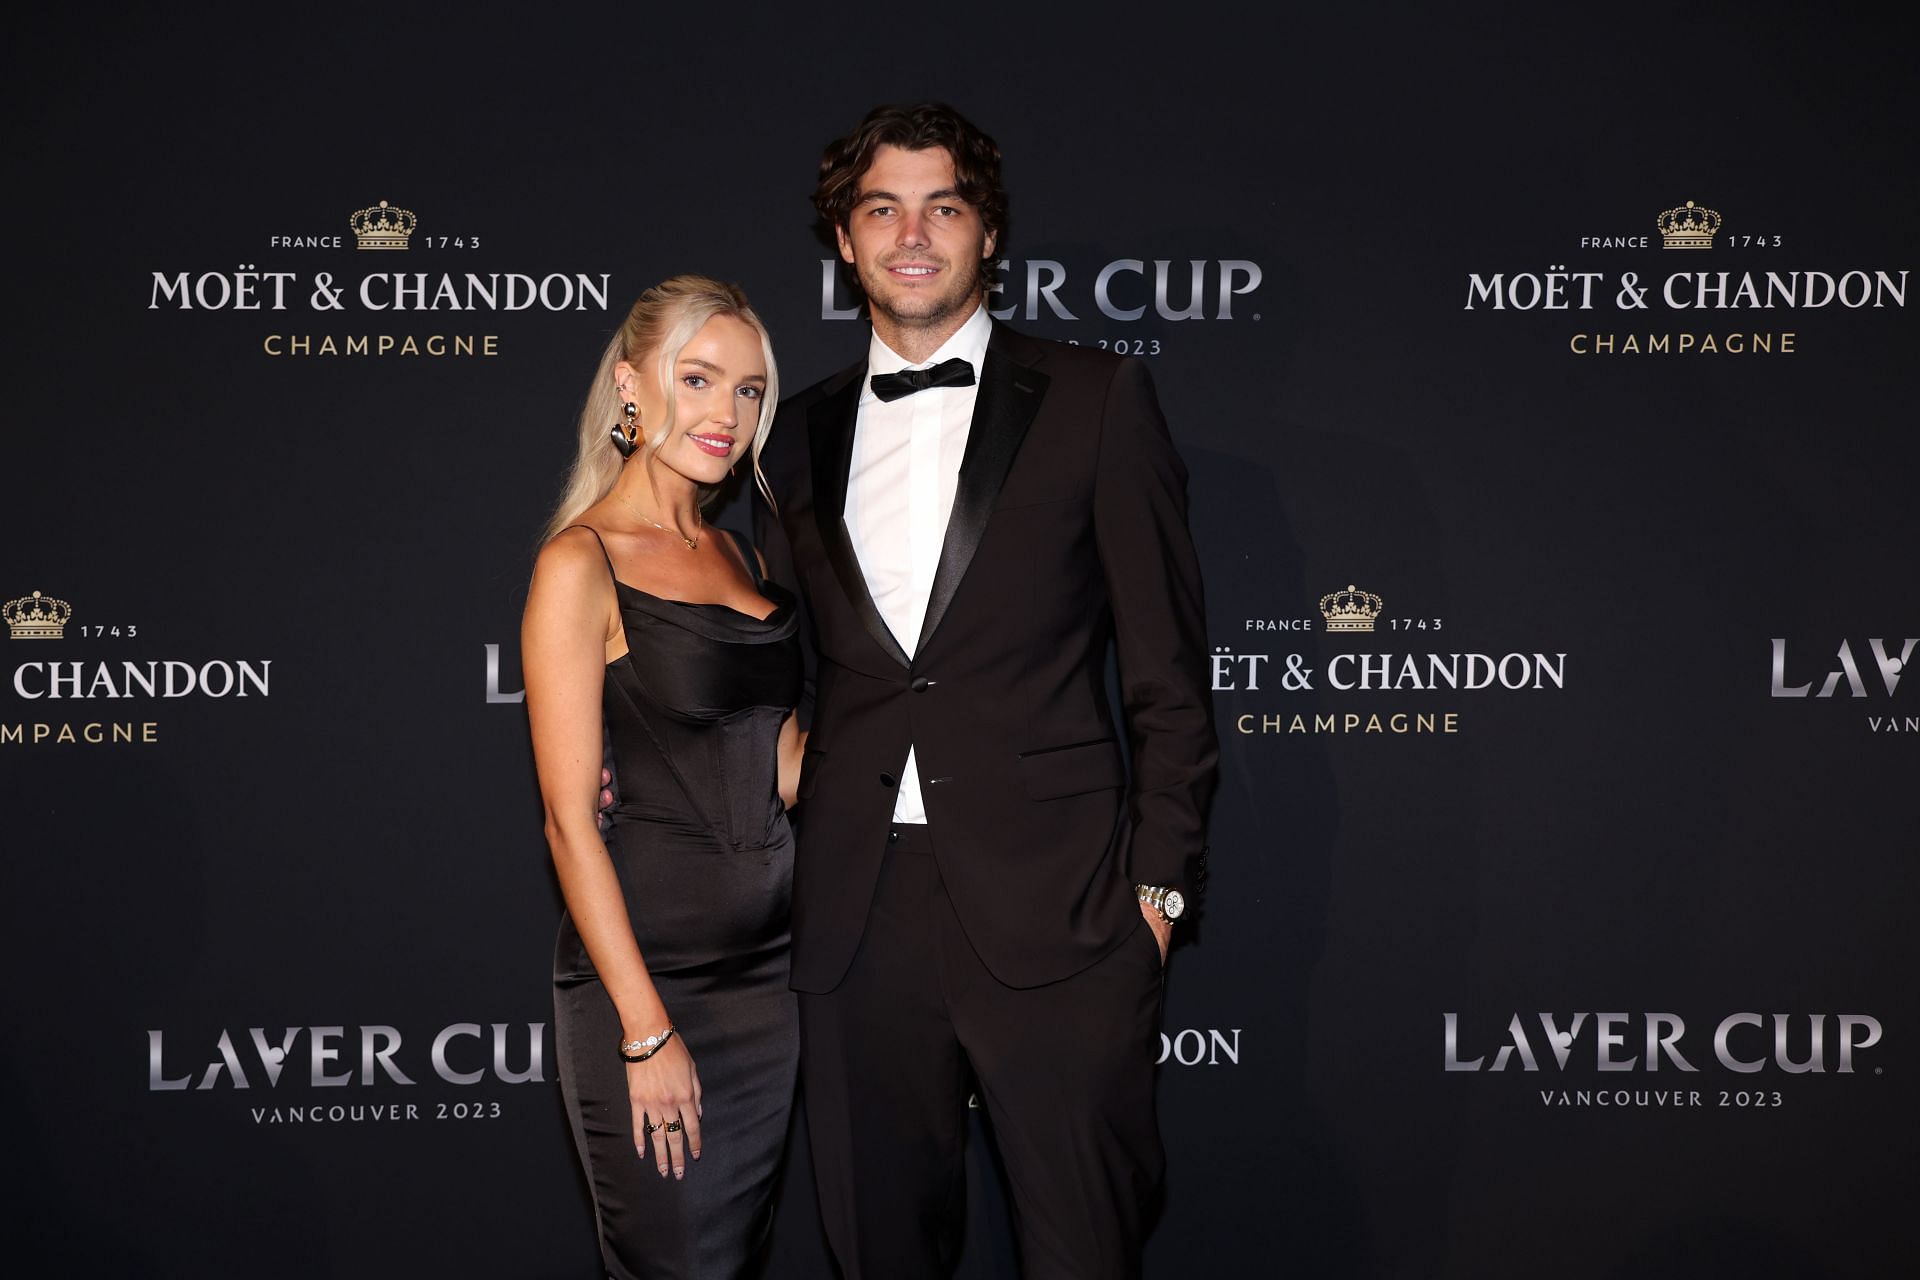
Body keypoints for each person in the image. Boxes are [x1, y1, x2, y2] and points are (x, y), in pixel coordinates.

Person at [754, 104, 1217, 1278]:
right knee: (879, 1251)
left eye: (944, 206)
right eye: (882, 209)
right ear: (846, 243)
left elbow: (1168, 670)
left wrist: (1155, 893)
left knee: (1083, 1248)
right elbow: (775, 670)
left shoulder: (1097, 397)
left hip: (1061, 904)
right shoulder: (791, 434)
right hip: (856, 916)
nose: (914, 233)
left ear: (988, 232)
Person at [522, 275, 802, 1279]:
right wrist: (645, 1031)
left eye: (751, 390)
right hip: (651, 983)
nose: (726, 414)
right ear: (632, 388)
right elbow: (567, 822)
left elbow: (786, 767)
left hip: (770, 986)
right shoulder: (580, 562)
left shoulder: (742, 552)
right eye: (699, 378)